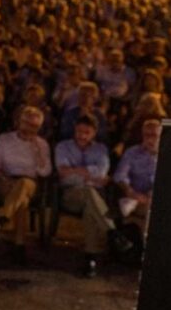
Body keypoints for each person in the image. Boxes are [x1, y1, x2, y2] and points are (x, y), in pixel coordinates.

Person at [54, 115, 131, 277]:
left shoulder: (101, 149)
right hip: (71, 194)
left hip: (95, 197)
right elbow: (64, 173)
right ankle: (111, 234)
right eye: (79, 131)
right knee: (90, 192)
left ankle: (91, 261)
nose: (82, 136)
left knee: (91, 207)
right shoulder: (62, 147)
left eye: (86, 132)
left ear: (94, 133)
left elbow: (102, 172)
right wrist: (91, 174)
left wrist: (76, 170)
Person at [0, 106, 52, 263]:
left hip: (29, 183)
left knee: (23, 185)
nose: (29, 128)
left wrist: (37, 153)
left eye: (34, 126)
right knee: (21, 201)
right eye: (27, 123)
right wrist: (4, 177)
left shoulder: (42, 144)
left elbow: (45, 172)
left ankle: (4, 218)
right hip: (6, 179)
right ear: (19, 122)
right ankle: (19, 245)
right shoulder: (5, 139)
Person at [114, 119, 162, 233]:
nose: (150, 139)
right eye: (147, 135)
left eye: (154, 135)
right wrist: (130, 191)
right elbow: (119, 175)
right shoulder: (132, 152)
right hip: (134, 197)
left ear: (160, 135)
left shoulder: (166, 154)